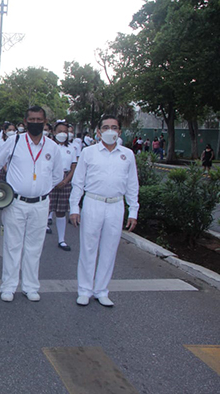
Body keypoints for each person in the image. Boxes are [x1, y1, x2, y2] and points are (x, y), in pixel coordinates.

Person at [0, 106, 63, 303]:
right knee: (12, 245)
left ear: (45, 123)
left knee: (35, 247)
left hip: (41, 204)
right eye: (32, 119)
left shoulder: (53, 147)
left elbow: (57, 175)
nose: (35, 123)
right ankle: (9, 286)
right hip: (16, 203)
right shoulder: (14, 141)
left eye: (39, 120)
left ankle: (30, 286)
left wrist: (41, 188)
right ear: (25, 121)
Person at [70, 115, 139, 307]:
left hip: (116, 205)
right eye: (106, 127)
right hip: (93, 202)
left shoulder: (127, 154)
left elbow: (133, 184)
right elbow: (78, 182)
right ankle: (84, 290)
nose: (111, 131)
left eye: (114, 127)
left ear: (120, 131)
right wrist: (74, 207)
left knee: (109, 249)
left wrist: (133, 210)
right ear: (98, 132)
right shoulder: (89, 152)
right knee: (88, 248)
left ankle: (101, 290)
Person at [48, 122, 77, 251]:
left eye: (65, 132)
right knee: (46, 208)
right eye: (59, 131)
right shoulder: (49, 147)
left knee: (61, 211)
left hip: (65, 179)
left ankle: (61, 240)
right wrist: (54, 180)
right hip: (50, 178)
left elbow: (73, 167)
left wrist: (65, 181)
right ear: (54, 133)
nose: (63, 134)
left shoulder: (72, 148)